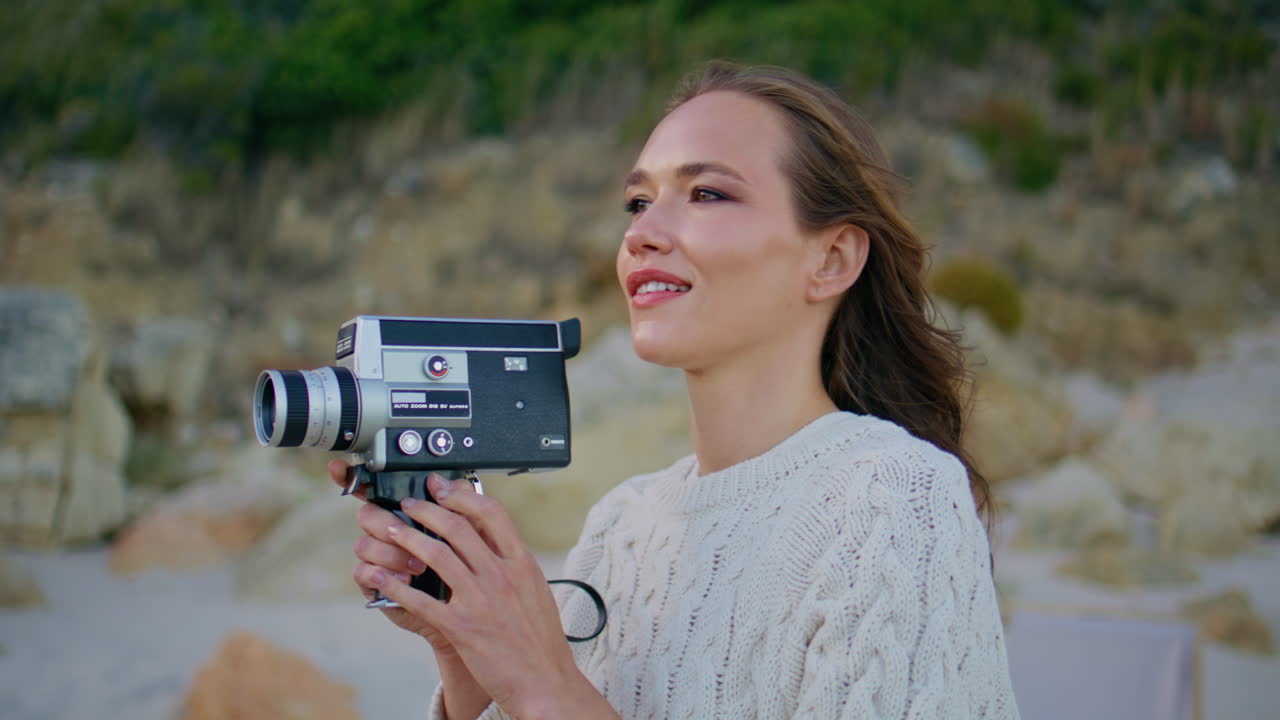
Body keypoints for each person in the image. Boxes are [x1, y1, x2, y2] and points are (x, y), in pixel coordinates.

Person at [328, 60, 1019, 719]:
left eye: (708, 193)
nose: (642, 234)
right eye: (638, 202)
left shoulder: (894, 498)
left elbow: (558, 703)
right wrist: (468, 650)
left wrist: (546, 684)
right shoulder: (621, 528)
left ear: (832, 258)